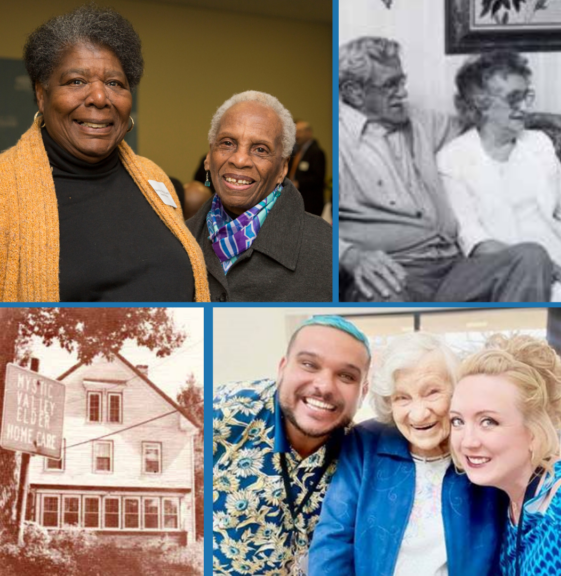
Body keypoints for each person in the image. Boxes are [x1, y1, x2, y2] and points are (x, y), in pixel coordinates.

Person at [0, 5, 209, 302]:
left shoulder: (153, 178)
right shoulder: (4, 190)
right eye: (76, 81)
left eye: (114, 83)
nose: (99, 97)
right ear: (41, 94)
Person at [339, 36, 553, 302]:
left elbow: (482, 120)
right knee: (380, 295)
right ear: (353, 92)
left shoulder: (418, 119)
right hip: (395, 273)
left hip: (455, 267)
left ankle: (509, 344)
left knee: (531, 257)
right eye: (390, 85)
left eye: (401, 81)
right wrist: (349, 256)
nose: (403, 93)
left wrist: (557, 123)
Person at [437, 51, 561, 302]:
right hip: (509, 261)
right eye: (513, 99)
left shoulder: (539, 143)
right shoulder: (453, 158)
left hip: (559, 248)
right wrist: (545, 267)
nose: (525, 107)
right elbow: (474, 238)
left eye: (526, 96)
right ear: (481, 104)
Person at [308, 333, 504, 575]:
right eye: (402, 398)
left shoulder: (479, 449)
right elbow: (332, 541)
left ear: (456, 392)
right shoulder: (365, 443)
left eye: (432, 392)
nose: (419, 414)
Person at [211, 315, 371, 575]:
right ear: (282, 368)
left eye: (346, 376)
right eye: (309, 364)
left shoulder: (363, 453)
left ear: (363, 392)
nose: (324, 386)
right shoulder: (222, 411)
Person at [449, 335, 561, 575]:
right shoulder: (507, 504)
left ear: (534, 430)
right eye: (457, 420)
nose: (467, 441)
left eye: (488, 421)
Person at [187, 91, 332, 302]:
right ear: (209, 157)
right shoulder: (176, 242)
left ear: (282, 169)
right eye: (227, 143)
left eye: (260, 149)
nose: (240, 159)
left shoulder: (329, 251)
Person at [290, 119, 327, 215]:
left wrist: (298, 183)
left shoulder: (317, 152)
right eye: (295, 132)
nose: (296, 136)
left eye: (299, 132)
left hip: (310, 203)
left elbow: (318, 178)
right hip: (296, 200)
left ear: (309, 133)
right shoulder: (297, 152)